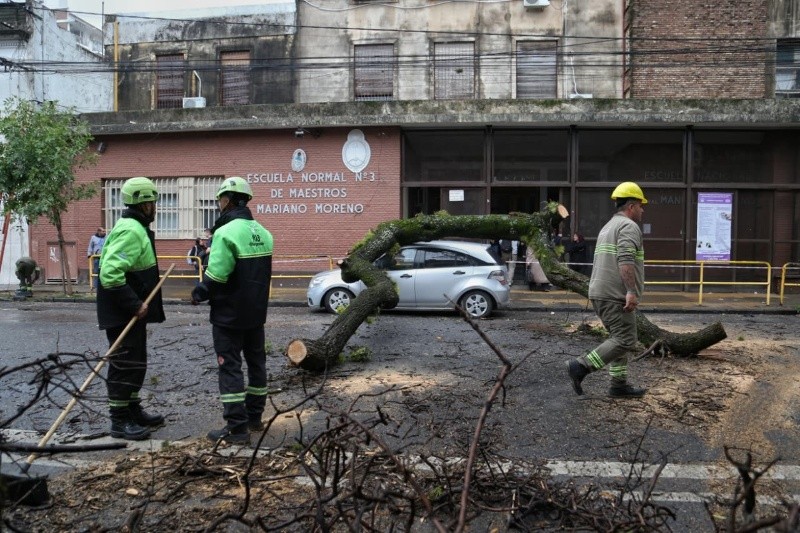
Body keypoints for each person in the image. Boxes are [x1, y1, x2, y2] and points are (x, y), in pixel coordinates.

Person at [191, 177, 274, 444]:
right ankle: (254, 418)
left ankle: (236, 429)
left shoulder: (225, 233)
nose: (218, 205)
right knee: (257, 364)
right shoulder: (263, 232)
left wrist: (199, 292)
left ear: (227, 200)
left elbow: (217, 276)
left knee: (230, 368)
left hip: (229, 315)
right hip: (256, 314)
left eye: (219, 200)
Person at [96, 177, 166, 440]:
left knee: (137, 363)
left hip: (131, 313)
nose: (155, 207)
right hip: (122, 312)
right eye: (152, 203)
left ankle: (133, 409)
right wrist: (134, 304)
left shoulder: (136, 227)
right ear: (144, 204)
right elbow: (111, 274)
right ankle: (119, 420)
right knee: (124, 365)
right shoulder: (130, 230)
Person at [566, 181, 648, 399]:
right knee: (626, 340)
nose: (642, 210)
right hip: (615, 294)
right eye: (640, 205)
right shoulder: (629, 227)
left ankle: (618, 385)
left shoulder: (608, 226)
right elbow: (625, 260)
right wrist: (630, 291)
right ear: (631, 206)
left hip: (600, 292)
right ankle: (581, 366)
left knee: (618, 337)